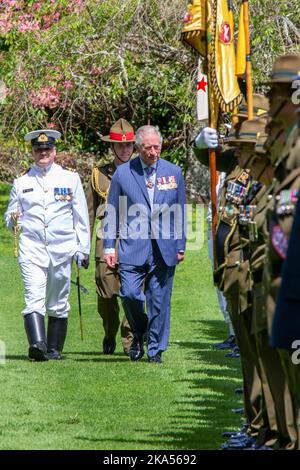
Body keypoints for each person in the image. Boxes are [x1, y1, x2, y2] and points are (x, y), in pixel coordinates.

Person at [5, 129, 90, 361]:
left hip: (62, 249)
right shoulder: (22, 181)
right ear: (32, 152)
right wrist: (13, 220)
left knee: (58, 300)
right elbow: (10, 217)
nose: (43, 153)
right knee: (33, 296)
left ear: (55, 151)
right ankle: (37, 345)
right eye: (38, 150)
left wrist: (83, 249)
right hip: (32, 248)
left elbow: (81, 216)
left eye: (47, 149)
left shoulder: (70, 179)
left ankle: (54, 349)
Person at [103, 125, 186, 363]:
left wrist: (181, 244)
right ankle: (139, 332)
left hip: (165, 247)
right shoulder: (123, 174)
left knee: (160, 301)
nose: (153, 152)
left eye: (157, 146)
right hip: (132, 245)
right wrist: (109, 246)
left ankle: (156, 350)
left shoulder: (174, 172)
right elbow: (112, 212)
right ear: (138, 147)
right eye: (148, 147)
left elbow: (180, 210)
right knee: (129, 294)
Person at [86, 118, 134, 355]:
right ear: (112, 147)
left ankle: (129, 339)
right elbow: (89, 213)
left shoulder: (142, 169)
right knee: (105, 293)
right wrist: (81, 247)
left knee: (133, 291)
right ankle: (109, 330)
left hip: (136, 240)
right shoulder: (99, 174)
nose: (125, 149)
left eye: (129, 145)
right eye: (120, 146)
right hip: (105, 240)